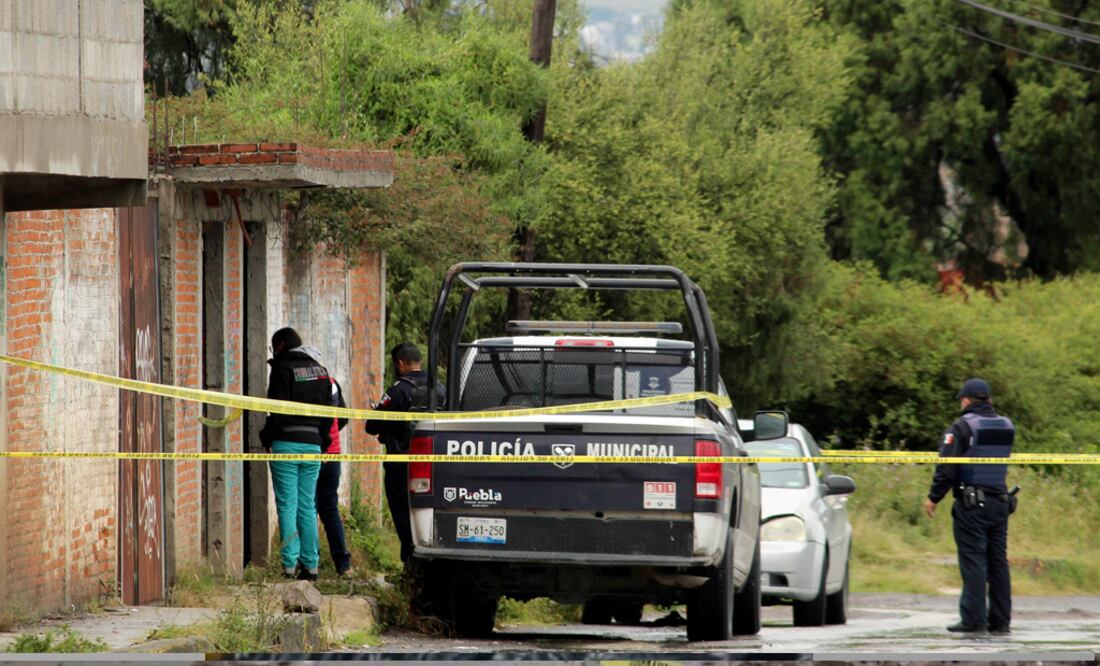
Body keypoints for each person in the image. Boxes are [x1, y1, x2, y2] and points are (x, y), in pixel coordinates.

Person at [924, 378, 1016, 634]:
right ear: (988, 400)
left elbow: (947, 467)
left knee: (974, 561)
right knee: (998, 562)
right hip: (1000, 502)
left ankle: (973, 620)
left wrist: (934, 497)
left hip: (972, 504)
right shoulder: (1008, 426)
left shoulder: (962, 426)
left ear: (966, 400)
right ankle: (1000, 621)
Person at [259, 327, 333, 581]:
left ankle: (289, 567)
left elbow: (276, 411)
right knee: (307, 505)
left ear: (280, 345)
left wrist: (266, 438)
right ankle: (311, 567)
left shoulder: (281, 369)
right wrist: (323, 441)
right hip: (313, 444)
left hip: (286, 443)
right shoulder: (321, 372)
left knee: (287, 505)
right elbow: (328, 415)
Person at [365, 342, 445, 564]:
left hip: (401, 464)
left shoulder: (398, 390)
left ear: (400, 364)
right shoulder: (440, 388)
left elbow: (372, 426)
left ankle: (410, 565)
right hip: (435, 464)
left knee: (403, 515)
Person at [317, 376, 353, 577]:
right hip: (333, 453)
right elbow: (344, 417)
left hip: (313, 452)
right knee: (330, 509)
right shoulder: (331, 382)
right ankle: (343, 565)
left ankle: (309, 564)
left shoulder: (298, 382)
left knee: (307, 509)